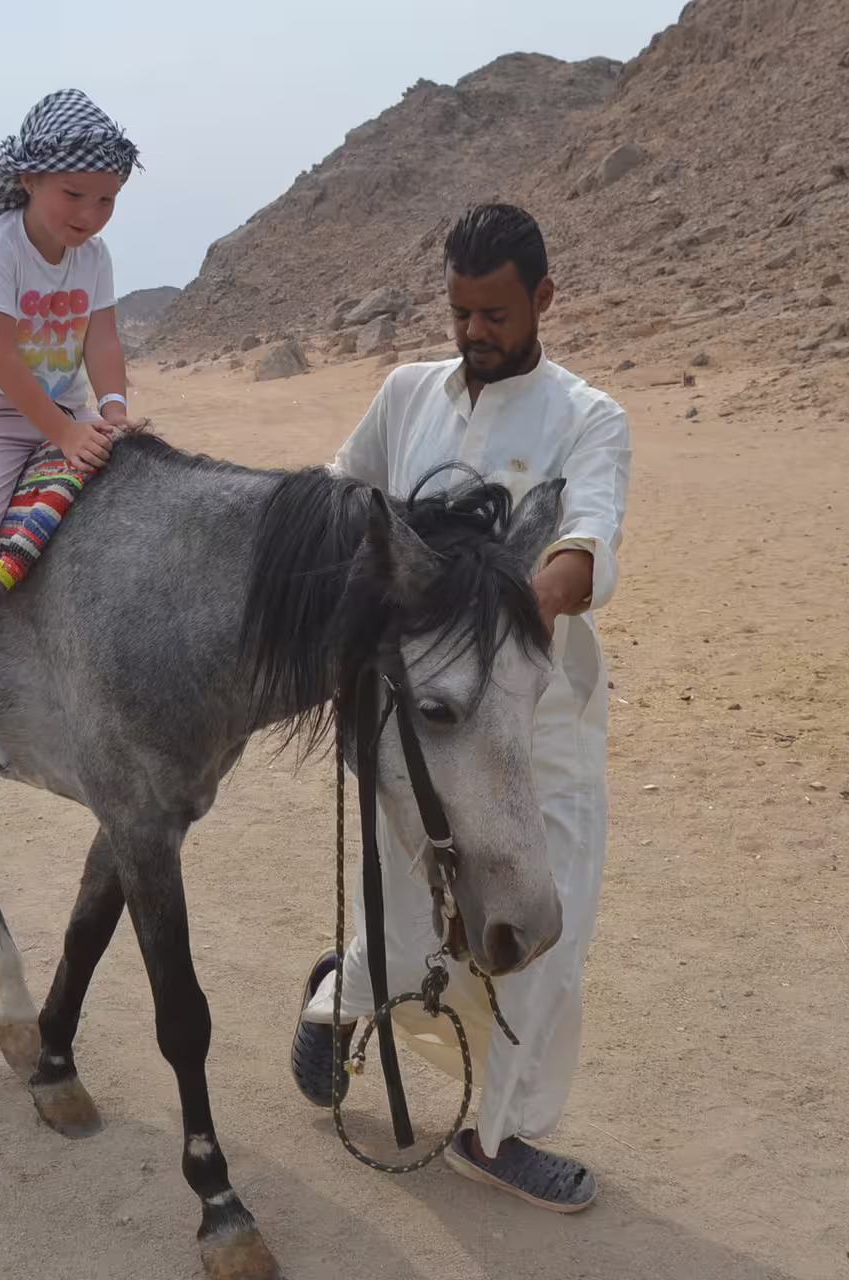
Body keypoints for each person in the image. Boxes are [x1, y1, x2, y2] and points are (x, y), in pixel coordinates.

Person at [289, 203, 631, 1212]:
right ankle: (337, 999)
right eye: (460, 310)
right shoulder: (405, 397)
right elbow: (338, 500)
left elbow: (584, 546)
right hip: (414, 727)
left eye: (494, 311)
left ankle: (498, 1132)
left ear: (543, 299)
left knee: (540, 925)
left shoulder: (587, 415)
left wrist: (507, 617)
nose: (474, 331)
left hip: (538, 725)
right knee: (405, 925)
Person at [0, 90, 140, 778]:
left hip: (66, 411)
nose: (89, 215)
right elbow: (1, 358)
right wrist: (66, 434)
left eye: (105, 200)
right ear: (28, 180)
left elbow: (102, 337)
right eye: (75, 195)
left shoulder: (94, 256)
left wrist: (111, 407)